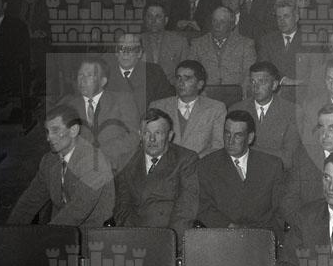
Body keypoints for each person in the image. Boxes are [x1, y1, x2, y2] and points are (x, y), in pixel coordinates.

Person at [7, 105, 114, 227]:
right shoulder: (49, 161)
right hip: (60, 226)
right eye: (47, 131)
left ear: (74, 130)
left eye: (55, 131)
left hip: (92, 230)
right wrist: (9, 231)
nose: (48, 138)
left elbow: (77, 210)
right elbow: (30, 200)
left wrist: (46, 235)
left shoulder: (95, 163)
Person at [114, 108, 199, 238]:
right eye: (146, 133)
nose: (152, 139)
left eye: (158, 133)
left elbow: (186, 209)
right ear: (140, 135)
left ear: (170, 136)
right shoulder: (126, 160)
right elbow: (122, 207)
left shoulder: (185, 159)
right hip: (133, 235)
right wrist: (129, 236)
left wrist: (170, 241)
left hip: (168, 235)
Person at [197, 110, 284, 235]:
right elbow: (203, 207)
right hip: (223, 235)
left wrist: (268, 236)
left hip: (263, 236)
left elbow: (280, 208)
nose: (230, 141)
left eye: (238, 135)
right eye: (227, 133)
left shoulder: (271, 165)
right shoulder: (207, 165)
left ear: (250, 138)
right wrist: (231, 228)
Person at [59, 57, 140, 173]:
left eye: (89, 75)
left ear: (103, 81)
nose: (82, 80)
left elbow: (134, 136)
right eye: (80, 75)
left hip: (117, 168)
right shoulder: (70, 106)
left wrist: (99, 153)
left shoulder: (123, 100)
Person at [230, 61, 300, 169]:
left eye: (262, 82)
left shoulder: (292, 111)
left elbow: (288, 158)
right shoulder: (236, 109)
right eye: (252, 81)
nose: (256, 87)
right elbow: (230, 152)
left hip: (277, 173)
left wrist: (248, 150)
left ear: (274, 85)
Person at [150, 59, 226, 157]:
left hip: (200, 163)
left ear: (200, 84)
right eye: (178, 78)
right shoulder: (158, 107)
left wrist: (192, 161)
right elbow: (150, 142)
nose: (181, 83)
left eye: (187, 78)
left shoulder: (216, 109)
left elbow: (218, 146)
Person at [190, 6, 256, 91]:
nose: (217, 26)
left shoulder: (246, 44)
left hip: (236, 94)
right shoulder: (198, 44)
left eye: (222, 22)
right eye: (215, 21)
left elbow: (249, 75)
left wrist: (241, 94)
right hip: (205, 94)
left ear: (232, 25)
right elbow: (191, 73)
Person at [256, 0, 309, 103]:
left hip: (304, 96)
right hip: (275, 95)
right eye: (279, 17)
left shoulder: (310, 40)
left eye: (286, 16)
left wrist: (298, 83)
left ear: (296, 17)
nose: (281, 21)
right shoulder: (267, 40)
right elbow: (264, 68)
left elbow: (316, 70)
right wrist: (283, 79)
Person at [105, 33, 173, 114]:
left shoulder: (154, 73)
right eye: (121, 48)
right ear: (116, 52)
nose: (126, 53)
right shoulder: (104, 72)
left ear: (139, 53)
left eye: (131, 49)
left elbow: (166, 103)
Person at [141, 2, 189, 83]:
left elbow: (186, 73)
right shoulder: (135, 42)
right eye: (149, 16)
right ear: (145, 19)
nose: (153, 21)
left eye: (158, 17)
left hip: (171, 87)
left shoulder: (180, 42)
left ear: (166, 20)